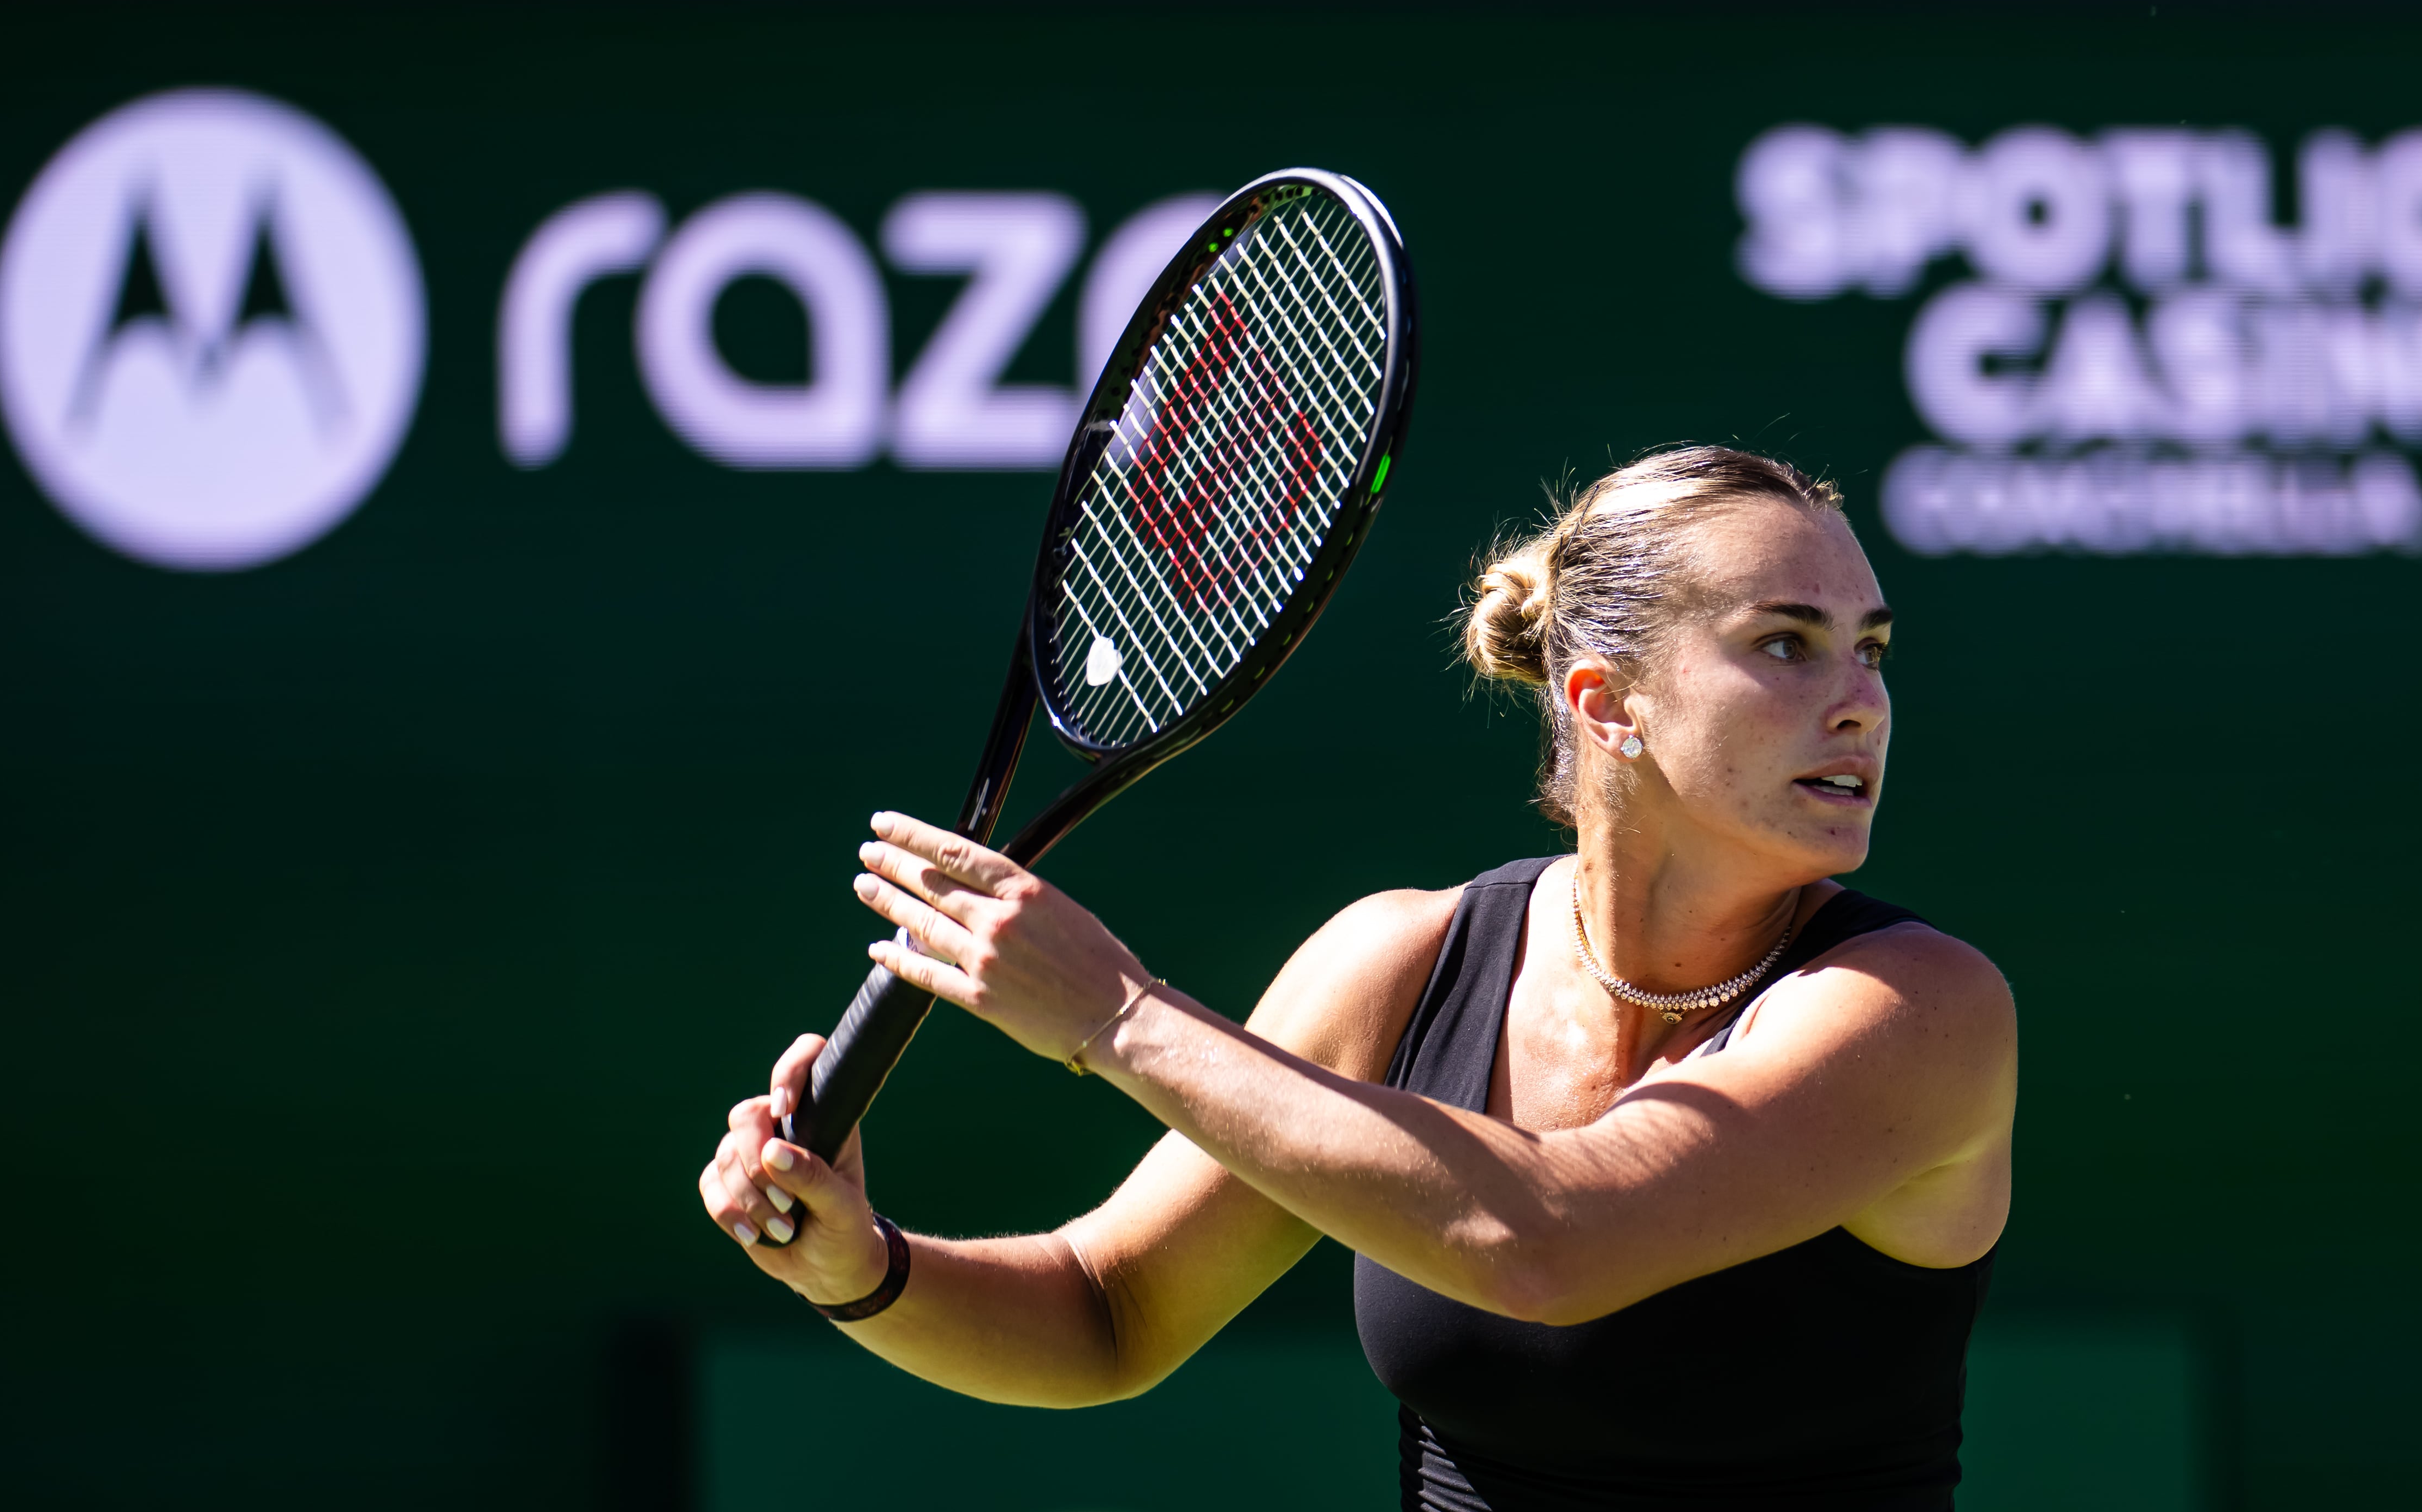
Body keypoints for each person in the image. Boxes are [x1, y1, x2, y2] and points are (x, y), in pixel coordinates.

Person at [698, 445, 2016, 1511]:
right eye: (1786, 643)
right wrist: (859, 1268)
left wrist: (1116, 1015)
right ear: (1608, 703)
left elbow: (1546, 1244)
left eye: (1872, 649)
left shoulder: (1917, 1010)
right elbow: (1107, 1310)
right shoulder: (1399, 964)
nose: (1860, 701)